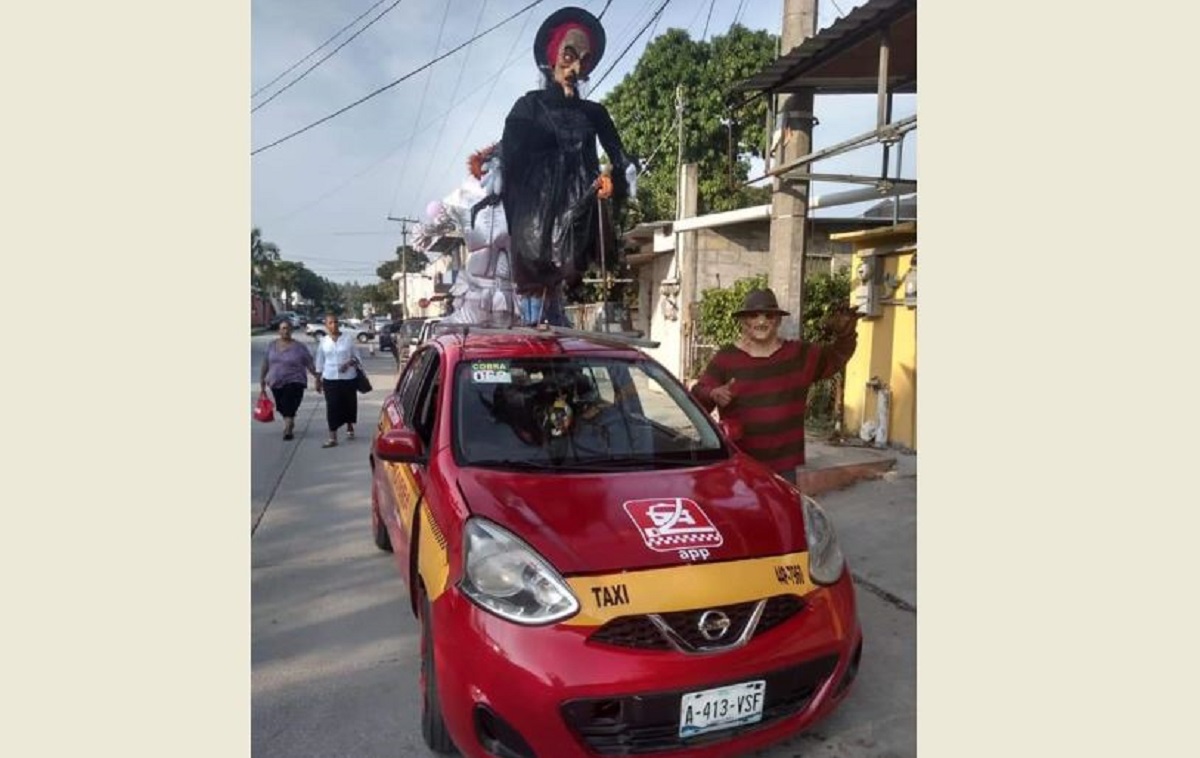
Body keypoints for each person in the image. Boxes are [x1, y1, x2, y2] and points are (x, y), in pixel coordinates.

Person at [500, 6, 633, 326]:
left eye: (583, 61)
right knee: (537, 285)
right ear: (553, 54)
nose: (574, 67)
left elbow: (620, 158)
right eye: (569, 55)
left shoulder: (595, 113)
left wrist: (615, 178)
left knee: (567, 273)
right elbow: (509, 156)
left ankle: (555, 326)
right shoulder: (528, 106)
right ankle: (537, 329)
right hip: (536, 214)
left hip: (579, 209)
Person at [691, 288, 861, 484]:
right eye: (754, 315)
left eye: (769, 316)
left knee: (782, 514)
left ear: (778, 321)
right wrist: (712, 393)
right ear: (744, 321)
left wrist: (846, 334)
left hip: (784, 467)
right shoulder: (726, 358)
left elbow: (836, 357)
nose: (761, 322)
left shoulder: (799, 356)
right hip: (739, 465)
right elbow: (697, 397)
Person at [259, 320, 319, 440]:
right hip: (276, 382)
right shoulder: (272, 346)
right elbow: (266, 363)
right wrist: (262, 380)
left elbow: (309, 363)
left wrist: (317, 377)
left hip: (295, 381)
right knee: (281, 406)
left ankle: (288, 427)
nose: (285, 331)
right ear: (279, 331)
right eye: (283, 328)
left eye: (288, 328)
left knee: (289, 402)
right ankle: (289, 419)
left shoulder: (299, 347)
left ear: (292, 330)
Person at [314, 314, 364, 448]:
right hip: (330, 379)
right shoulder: (323, 341)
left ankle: (349, 424)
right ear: (326, 325)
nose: (333, 325)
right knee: (332, 406)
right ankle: (332, 437)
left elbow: (358, 358)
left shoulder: (347, 339)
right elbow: (319, 361)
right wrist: (317, 379)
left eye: (336, 322)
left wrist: (348, 363)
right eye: (330, 323)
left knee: (349, 404)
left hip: (348, 378)